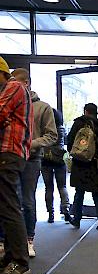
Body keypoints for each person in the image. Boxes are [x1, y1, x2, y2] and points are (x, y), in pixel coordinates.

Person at [0, 68, 57, 258]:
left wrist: (29, 144)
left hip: (31, 158)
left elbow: (52, 135)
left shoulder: (42, 107)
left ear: (26, 83)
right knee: (11, 202)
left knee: (26, 201)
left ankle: (28, 240)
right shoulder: (10, 97)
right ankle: (11, 245)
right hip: (15, 154)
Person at [0, 56, 33, 274]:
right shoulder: (16, 88)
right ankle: (12, 257)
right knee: (8, 206)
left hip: (9, 153)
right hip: (12, 154)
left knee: (9, 206)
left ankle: (19, 261)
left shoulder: (13, 87)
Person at [67, 103, 98, 231]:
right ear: (96, 112)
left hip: (81, 164)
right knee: (97, 194)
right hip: (96, 164)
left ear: (85, 111)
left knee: (79, 193)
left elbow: (70, 141)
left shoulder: (79, 123)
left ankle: (77, 219)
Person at [41, 108, 71, 223]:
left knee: (48, 188)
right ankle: (66, 209)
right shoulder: (61, 129)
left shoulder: (44, 130)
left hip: (46, 160)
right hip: (59, 160)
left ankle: (50, 213)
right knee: (62, 186)